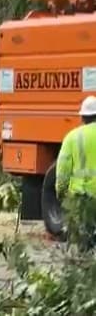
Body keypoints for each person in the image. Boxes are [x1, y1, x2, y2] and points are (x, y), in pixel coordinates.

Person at [56, 95, 96, 248]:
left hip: (82, 199)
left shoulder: (72, 137)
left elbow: (63, 171)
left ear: (83, 117)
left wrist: (61, 193)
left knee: (83, 242)